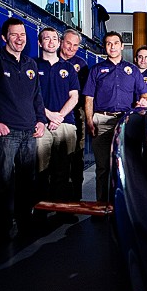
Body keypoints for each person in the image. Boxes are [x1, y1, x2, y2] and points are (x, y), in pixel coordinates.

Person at [0, 17, 46, 238]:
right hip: (6, 134)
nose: (19, 39)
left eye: (22, 35)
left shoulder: (30, 64)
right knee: (3, 182)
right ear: (4, 37)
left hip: (29, 132)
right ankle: (2, 228)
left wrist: (41, 120)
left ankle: (25, 222)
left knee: (28, 182)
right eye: (14, 34)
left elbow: (37, 97)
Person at [82, 31, 147, 202]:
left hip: (125, 122)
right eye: (108, 43)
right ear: (104, 47)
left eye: (115, 43)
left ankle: (124, 206)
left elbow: (144, 93)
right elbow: (88, 98)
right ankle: (101, 205)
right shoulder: (96, 70)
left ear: (122, 46)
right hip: (102, 121)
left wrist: (143, 100)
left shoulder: (133, 71)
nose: (112, 46)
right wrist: (89, 120)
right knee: (103, 167)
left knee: (126, 166)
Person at [35, 27, 80, 202]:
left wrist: (59, 116)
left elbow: (74, 97)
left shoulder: (69, 68)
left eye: (54, 38)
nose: (51, 42)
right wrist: (48, 115)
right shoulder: (32, 66)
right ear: (40, 43)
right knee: (41, 169)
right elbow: (31, 97)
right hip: (41, 125)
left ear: (58, 42)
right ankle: (40, 212)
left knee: (64, 169)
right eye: (47, 38)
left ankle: (63, 210)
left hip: (66, 124)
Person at [59, 28, 89, 201]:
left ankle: (74, 199)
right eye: (68, 43)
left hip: (76, 115)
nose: (71, 48)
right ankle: (51, 200)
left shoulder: (81, 64)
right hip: (52, 115)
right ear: (62, 41)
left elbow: (85, 94)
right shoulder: (50, 60)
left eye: (75, 45)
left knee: (76, 157)